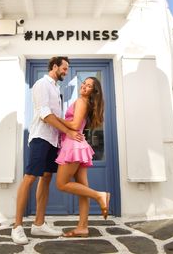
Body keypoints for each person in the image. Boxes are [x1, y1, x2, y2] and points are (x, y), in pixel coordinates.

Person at [11, 56, 83, 244]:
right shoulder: (42, 84)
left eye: (67, 70)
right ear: (54, 66)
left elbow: (57, 117)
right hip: (40, 138)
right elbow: (45, 114)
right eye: (64, 69)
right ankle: (17, 226)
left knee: (46, 178)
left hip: (53, 140)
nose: (66, 73)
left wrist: (65, 131)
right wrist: (68, 130)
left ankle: (39, 224)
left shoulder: (56, 88)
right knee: (30, 178)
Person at [55, 76, 111, 237]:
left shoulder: (81, 102)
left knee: (61, 183)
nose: (84, 87)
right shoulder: (85, 103)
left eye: (89, 86)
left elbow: (73, 125)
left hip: (73, 145)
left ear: (93, 91)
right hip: (77, 144)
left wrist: (54, 118)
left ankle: (100, 195)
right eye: (84, 84)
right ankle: (82, 227)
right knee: (82, 190)